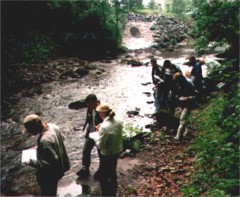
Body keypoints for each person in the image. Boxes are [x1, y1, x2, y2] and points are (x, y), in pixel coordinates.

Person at [22, 114, 70, 196]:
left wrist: (30, 162)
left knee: (47, 193)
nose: (29, 132)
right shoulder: (53, 126)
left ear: (36, 126)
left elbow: (51, 164)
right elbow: (62, 139)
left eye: (30, 130)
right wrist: (40, 148)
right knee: (52, 192)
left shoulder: (44, 141)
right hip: (61, 167)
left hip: (50, 175)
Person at [94, 103, 123, 196]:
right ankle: (114, 191)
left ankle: (106, 193)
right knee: (113, 170)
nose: (98, 114)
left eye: (99, 113)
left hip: (107, 153)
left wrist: (98, 133)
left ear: (103, 114)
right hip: (117, 149)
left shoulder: (104, 127)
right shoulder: (119, 121)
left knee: (105, 174)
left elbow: (100, 145)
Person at [75, 94, 103, 179]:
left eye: (90, 104)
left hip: (100, 135)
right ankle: (85, 168)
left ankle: (101, 170)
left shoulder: (102, 110)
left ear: (95, 102)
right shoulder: (90, 108)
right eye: (87, 104)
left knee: (100, 153)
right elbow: (88, 119)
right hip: (91, 133)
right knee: (86, 150)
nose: (88, 106)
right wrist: (86, 131)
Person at [172, 72, 199, 140]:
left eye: (177, 81)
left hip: (189, 103)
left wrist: (188, 97)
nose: (177, 83)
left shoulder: (188, 83)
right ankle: (188, 131)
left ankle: (178, 136)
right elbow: (179, 93)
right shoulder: (180, 84)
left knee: (182, 119)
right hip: (182, 103)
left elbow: (195, 94)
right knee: (185, 118)